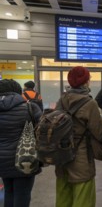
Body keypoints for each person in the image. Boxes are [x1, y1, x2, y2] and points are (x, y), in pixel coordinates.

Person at [54, 66, 102, 207]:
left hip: (62, 157)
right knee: (83, 200)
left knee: (63, 199)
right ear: (86, 81)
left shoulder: (62, 99)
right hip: (81, 159)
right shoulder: (90, 103)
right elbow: (99, 133)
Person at [0, 79, 42, 207]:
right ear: (19, 92)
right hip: (25, 158)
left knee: (9, 191)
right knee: (22, 193)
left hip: (2, 159)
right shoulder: (30, 107)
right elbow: (42, 129)